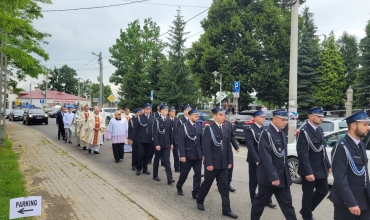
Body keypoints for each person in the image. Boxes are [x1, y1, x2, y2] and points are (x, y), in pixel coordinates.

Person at [250, 109, 296, 220]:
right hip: (269, 179)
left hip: (282, 178)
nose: (284, 122)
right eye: (282, 120)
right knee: (259, 203)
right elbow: (266, 158)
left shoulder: (281, 132)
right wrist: (273, 176)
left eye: (286, 120)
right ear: (275, 119)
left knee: (288, 206)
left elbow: (283, 156)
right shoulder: (266, 133)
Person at [196, 107, 237, 219]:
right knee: (207, 184)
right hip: (212, 164)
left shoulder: (226, 128)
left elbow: (228, 146)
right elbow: (206, 147)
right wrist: (208, 163)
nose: (223, 116)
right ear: (214, 116)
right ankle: (200, 200)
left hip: (223, 164)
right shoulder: (209, 128)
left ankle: (226, 210)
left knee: (224, 187)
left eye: (224, 115)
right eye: (220, 115)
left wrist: (229, 162)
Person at [329, 110, 370, 219]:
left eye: (368, 124)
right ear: (353, 126)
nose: (368, 127)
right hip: (346, 202)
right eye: (365, 125)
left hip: (363, 199)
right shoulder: (341, 147)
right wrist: (351, 202)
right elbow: (340, 178)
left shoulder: (361, 145)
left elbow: (364, 175)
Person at [297, 107, 331, 220]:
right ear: (311, 116)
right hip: (309, 169)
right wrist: (308, 172)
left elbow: (323, 150)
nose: (322, 118)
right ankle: (307, 216)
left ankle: (305, 210)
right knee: (307, 194)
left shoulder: (319, 130)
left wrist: (328, 164)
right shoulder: (304, 132)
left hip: (321, 168)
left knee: (323, 191)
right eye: (319, 116)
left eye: (322, 116)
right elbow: (303, 154)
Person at [245, 110, 277, 208]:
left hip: (265, 160)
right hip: (255, 160)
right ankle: (253, 199)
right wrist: (257, 160)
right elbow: (250, 147)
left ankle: (267, 200)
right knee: (254, 181)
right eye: (262, 117)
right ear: (255, 118)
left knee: (266, 180)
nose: (264, 119)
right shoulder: (250, 130)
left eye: (264, 117)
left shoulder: (265, 129)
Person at [176, 108, 203, 198]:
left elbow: (201, 141)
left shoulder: (199, 126)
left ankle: (196, 192)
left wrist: (203, 154)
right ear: (190, 116)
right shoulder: (184, 126)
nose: (197, 118)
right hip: (188, 155)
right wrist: (182, 155)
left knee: (198, 174)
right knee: (184, 173)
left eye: (198, 116)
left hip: (198, 155)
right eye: (196, 116)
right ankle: (179, 186)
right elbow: (181, 142)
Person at [128, 103, 154, 176]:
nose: (148, 111)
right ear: (144, 109)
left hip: (149, 140)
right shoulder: (139, 117)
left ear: (150, 110)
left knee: (147, 155)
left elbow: (154, 129)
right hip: (140, 140)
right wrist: (130, 138)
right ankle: (138, 168)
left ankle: (145, 168)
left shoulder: (153, 118)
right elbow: (135, 128)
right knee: (140, 154)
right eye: (146, 109)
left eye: (149, 109)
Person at [152, 104, 175, 184]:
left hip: (167, 144)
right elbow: (155, 134)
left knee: (167, 161)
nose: (166, 112)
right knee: (157, 159)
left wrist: (171, 143)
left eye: (167, 110)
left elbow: (170, 133)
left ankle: (170, 178)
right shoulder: (156, 120)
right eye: (165, 110)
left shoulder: (168, 120)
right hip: (159, 144)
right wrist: (157, 144)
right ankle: (155, 175)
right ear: (161, 111)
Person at [223, 113, 240, 192]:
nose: (225, 117)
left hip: (228, 149)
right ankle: (221, 183)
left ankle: (228, 183)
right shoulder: (217, 125)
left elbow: (232, 136)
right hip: (220, 150)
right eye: (224, 116)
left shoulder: (229, 124)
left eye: (226, 116)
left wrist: (236, 146)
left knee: (230, 167)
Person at [177, 104, 192, 172]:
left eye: (190, 110)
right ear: (184, 111)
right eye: (188, 110)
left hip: (190, 143)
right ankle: (182, 171)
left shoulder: (191, 120)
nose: (189, 111)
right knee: (183, 156)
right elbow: (178, 133)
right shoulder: (180, 121)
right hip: (184, 142)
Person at [169, 107, 180, 172]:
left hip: (175, 139)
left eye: (174, 112)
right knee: (166, 155)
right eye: (172, 112)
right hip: (168, 140)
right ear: (169, 112)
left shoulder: (177, 120)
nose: (173, 113)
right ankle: (166, 166)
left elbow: (178, 130)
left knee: (176, 154)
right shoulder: (167, 120)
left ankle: (177, 167)